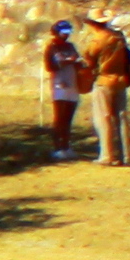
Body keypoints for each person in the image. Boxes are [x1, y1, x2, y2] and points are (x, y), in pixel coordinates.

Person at [77, 18, 130, 168]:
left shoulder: (97, 41)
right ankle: (125, 155)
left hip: (104, 80)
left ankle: (107, 155)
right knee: (121, 117)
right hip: (121, 80)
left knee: (103, 118)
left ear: (92, 24)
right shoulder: (118, 37)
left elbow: (89, 61)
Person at [42, 22, 87, 159]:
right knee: (60, 117)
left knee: (68, 117)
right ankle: (58, 147)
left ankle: (67, 146)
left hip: (72, 83)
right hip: (59, 84)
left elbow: (78, 61)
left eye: (68, 32)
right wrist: (68, 61)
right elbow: (50, 67)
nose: (66, 34)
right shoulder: (52, 47)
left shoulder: (70, 46)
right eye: (64, 32)